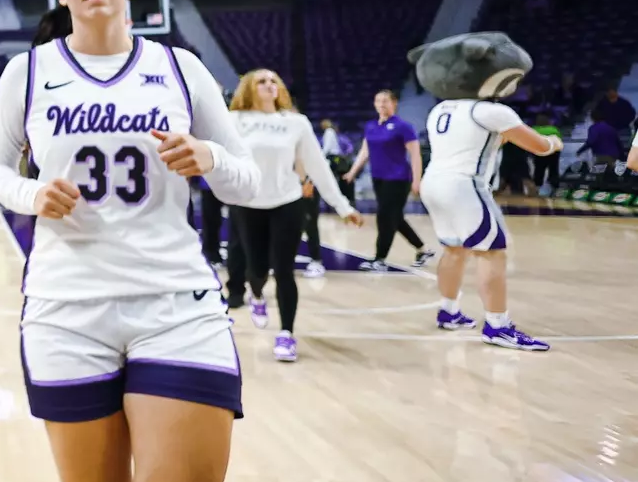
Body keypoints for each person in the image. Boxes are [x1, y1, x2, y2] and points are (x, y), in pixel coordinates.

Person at [0, 0, 261, 482]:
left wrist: (209, 159)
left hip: (176, 306)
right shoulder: (29, 71)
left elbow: (247, 180)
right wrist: (30, 193)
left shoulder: (182, 69)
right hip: (66, 313)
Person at [227, 70, 363, 362]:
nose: (269, 85)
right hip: (249, 203)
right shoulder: (234, 121)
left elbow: (318, 166)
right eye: (262, 81)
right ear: (248, 88)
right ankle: (257, 295)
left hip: (287, 202)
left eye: (274, 80)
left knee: (284, 269)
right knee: (257, 268)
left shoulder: (296, 123)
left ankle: (286, 334)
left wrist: (343, 207)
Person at [423, 100, 560, 351]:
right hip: (464, 185)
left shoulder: (441, 108)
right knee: (493, 252)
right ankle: (498, 326)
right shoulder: (491, 110)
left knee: (454, 249)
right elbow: (539, 147)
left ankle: (448, 311)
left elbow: (473, 140)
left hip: (433, 182)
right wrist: (554, 142)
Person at [343, 89, 434, 270]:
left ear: (394, 103)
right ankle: (423, 250)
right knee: (396, 218)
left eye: (385, 101)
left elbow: (415, 155)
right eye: (378, 101)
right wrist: (352, 172)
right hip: (379, 179)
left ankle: (380, 259)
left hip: (398, 179)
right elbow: (365, 151)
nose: (382, 104)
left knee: (384, 217)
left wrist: (417, 180)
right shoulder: (371, 126)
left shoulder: (403, 127)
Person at [530, 114, 562, 194]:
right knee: (554, 170)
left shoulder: (533, 130)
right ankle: (555, 188)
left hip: (539, 152)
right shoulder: (553, 129)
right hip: (554, 153)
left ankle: (537, 188)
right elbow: (559, 141)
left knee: (539, 170)